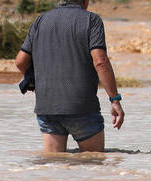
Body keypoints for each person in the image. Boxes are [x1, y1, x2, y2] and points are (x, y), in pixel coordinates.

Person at [15, 0, 124, 153]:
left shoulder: (41, 20)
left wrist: (35, 81)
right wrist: (115, 99)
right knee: (94, 164)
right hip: (81, 106)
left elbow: (20, 61)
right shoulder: (91, 20)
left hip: (47, 107)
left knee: (54, 166)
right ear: (85, 1)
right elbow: (100, 62)